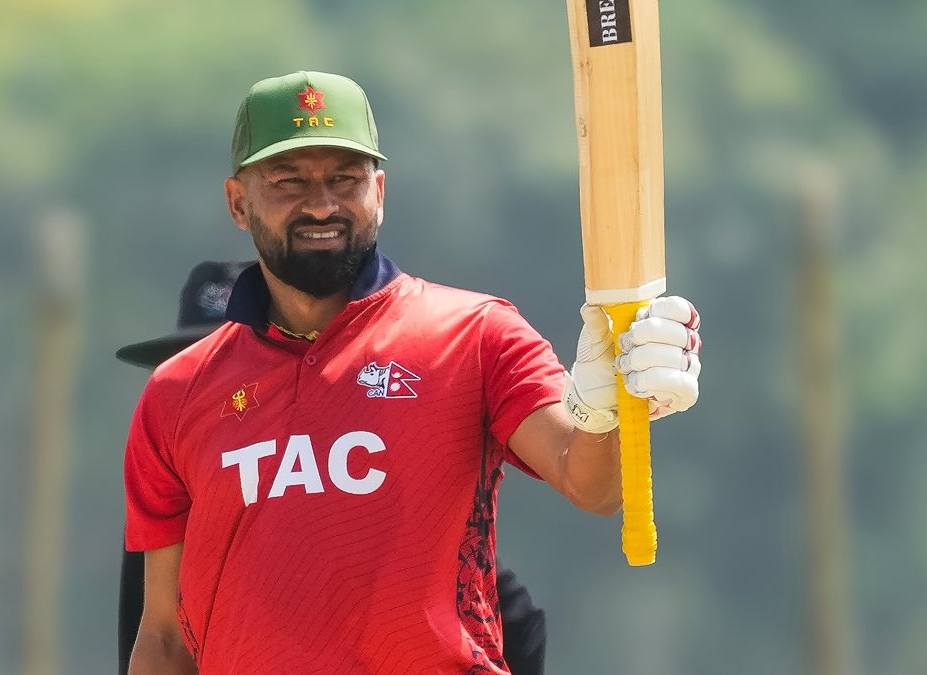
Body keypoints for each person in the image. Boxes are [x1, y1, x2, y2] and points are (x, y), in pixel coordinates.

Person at [122, 71, 702, 674]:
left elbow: (593, 486)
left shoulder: (476, 333)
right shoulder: (176, 393)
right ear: (238, 203)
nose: (320, 204)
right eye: (288, 180)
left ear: (379, 191)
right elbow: (163, 637)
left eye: (344, 179)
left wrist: (604, 413)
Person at [117, 262, 547, 675]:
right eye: (190, 359)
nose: (219, 383)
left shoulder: (357, 477)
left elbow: (514, 618)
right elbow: (154, 643)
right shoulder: (169, 473)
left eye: (231, 354)